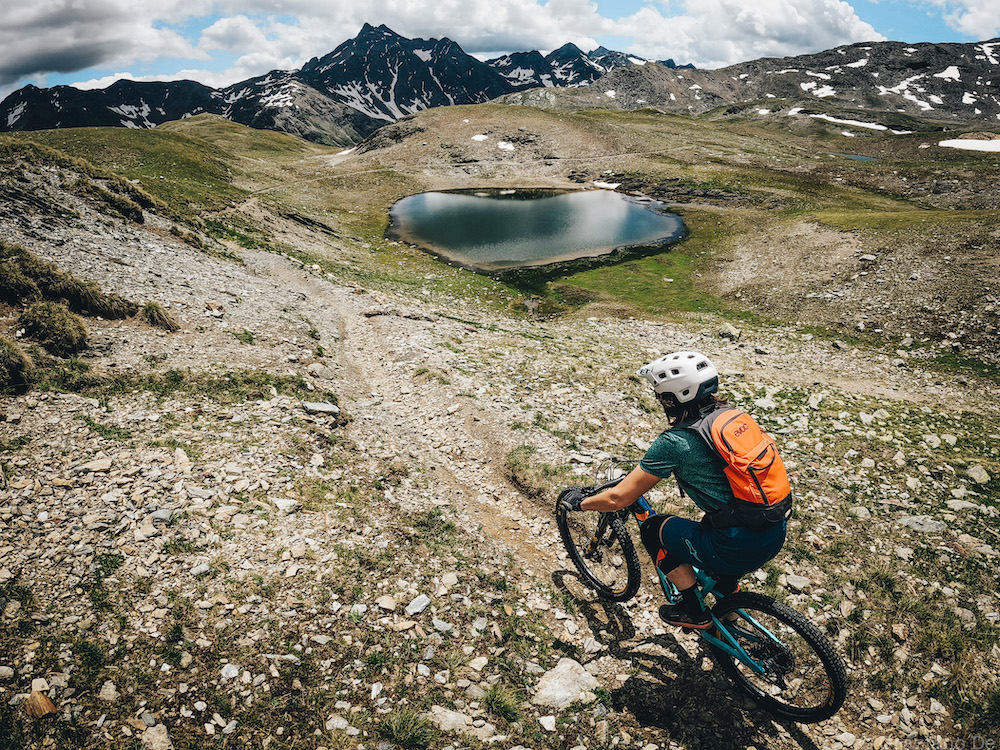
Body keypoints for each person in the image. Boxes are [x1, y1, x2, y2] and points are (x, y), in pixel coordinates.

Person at [560, 351, 788, 629]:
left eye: (661, 395)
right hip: (773, 529)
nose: (660, 401)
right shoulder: (731, 418)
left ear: (672, 397)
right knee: (709, 533)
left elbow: (620, 497)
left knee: (653, 530)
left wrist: (579, 503)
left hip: (736, 545)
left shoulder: (676, 442)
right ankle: (730, 609)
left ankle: (694, 612)